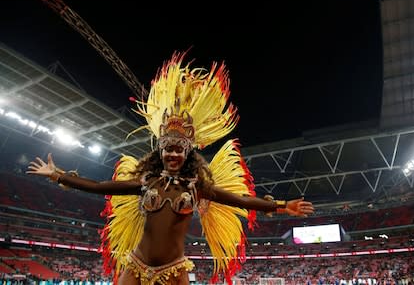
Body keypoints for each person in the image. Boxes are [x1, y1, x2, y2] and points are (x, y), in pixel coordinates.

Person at [27, 52, 314, 285]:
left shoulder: (196, 187)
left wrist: (282, 205)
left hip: (174, 270)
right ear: (160, 150)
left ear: (188, 152)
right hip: (136, 265)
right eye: (168, 149)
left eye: (178, 149)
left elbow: (240, 200)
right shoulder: (146, 182)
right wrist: (58, 175)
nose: (173, 153)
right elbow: (101, 187)